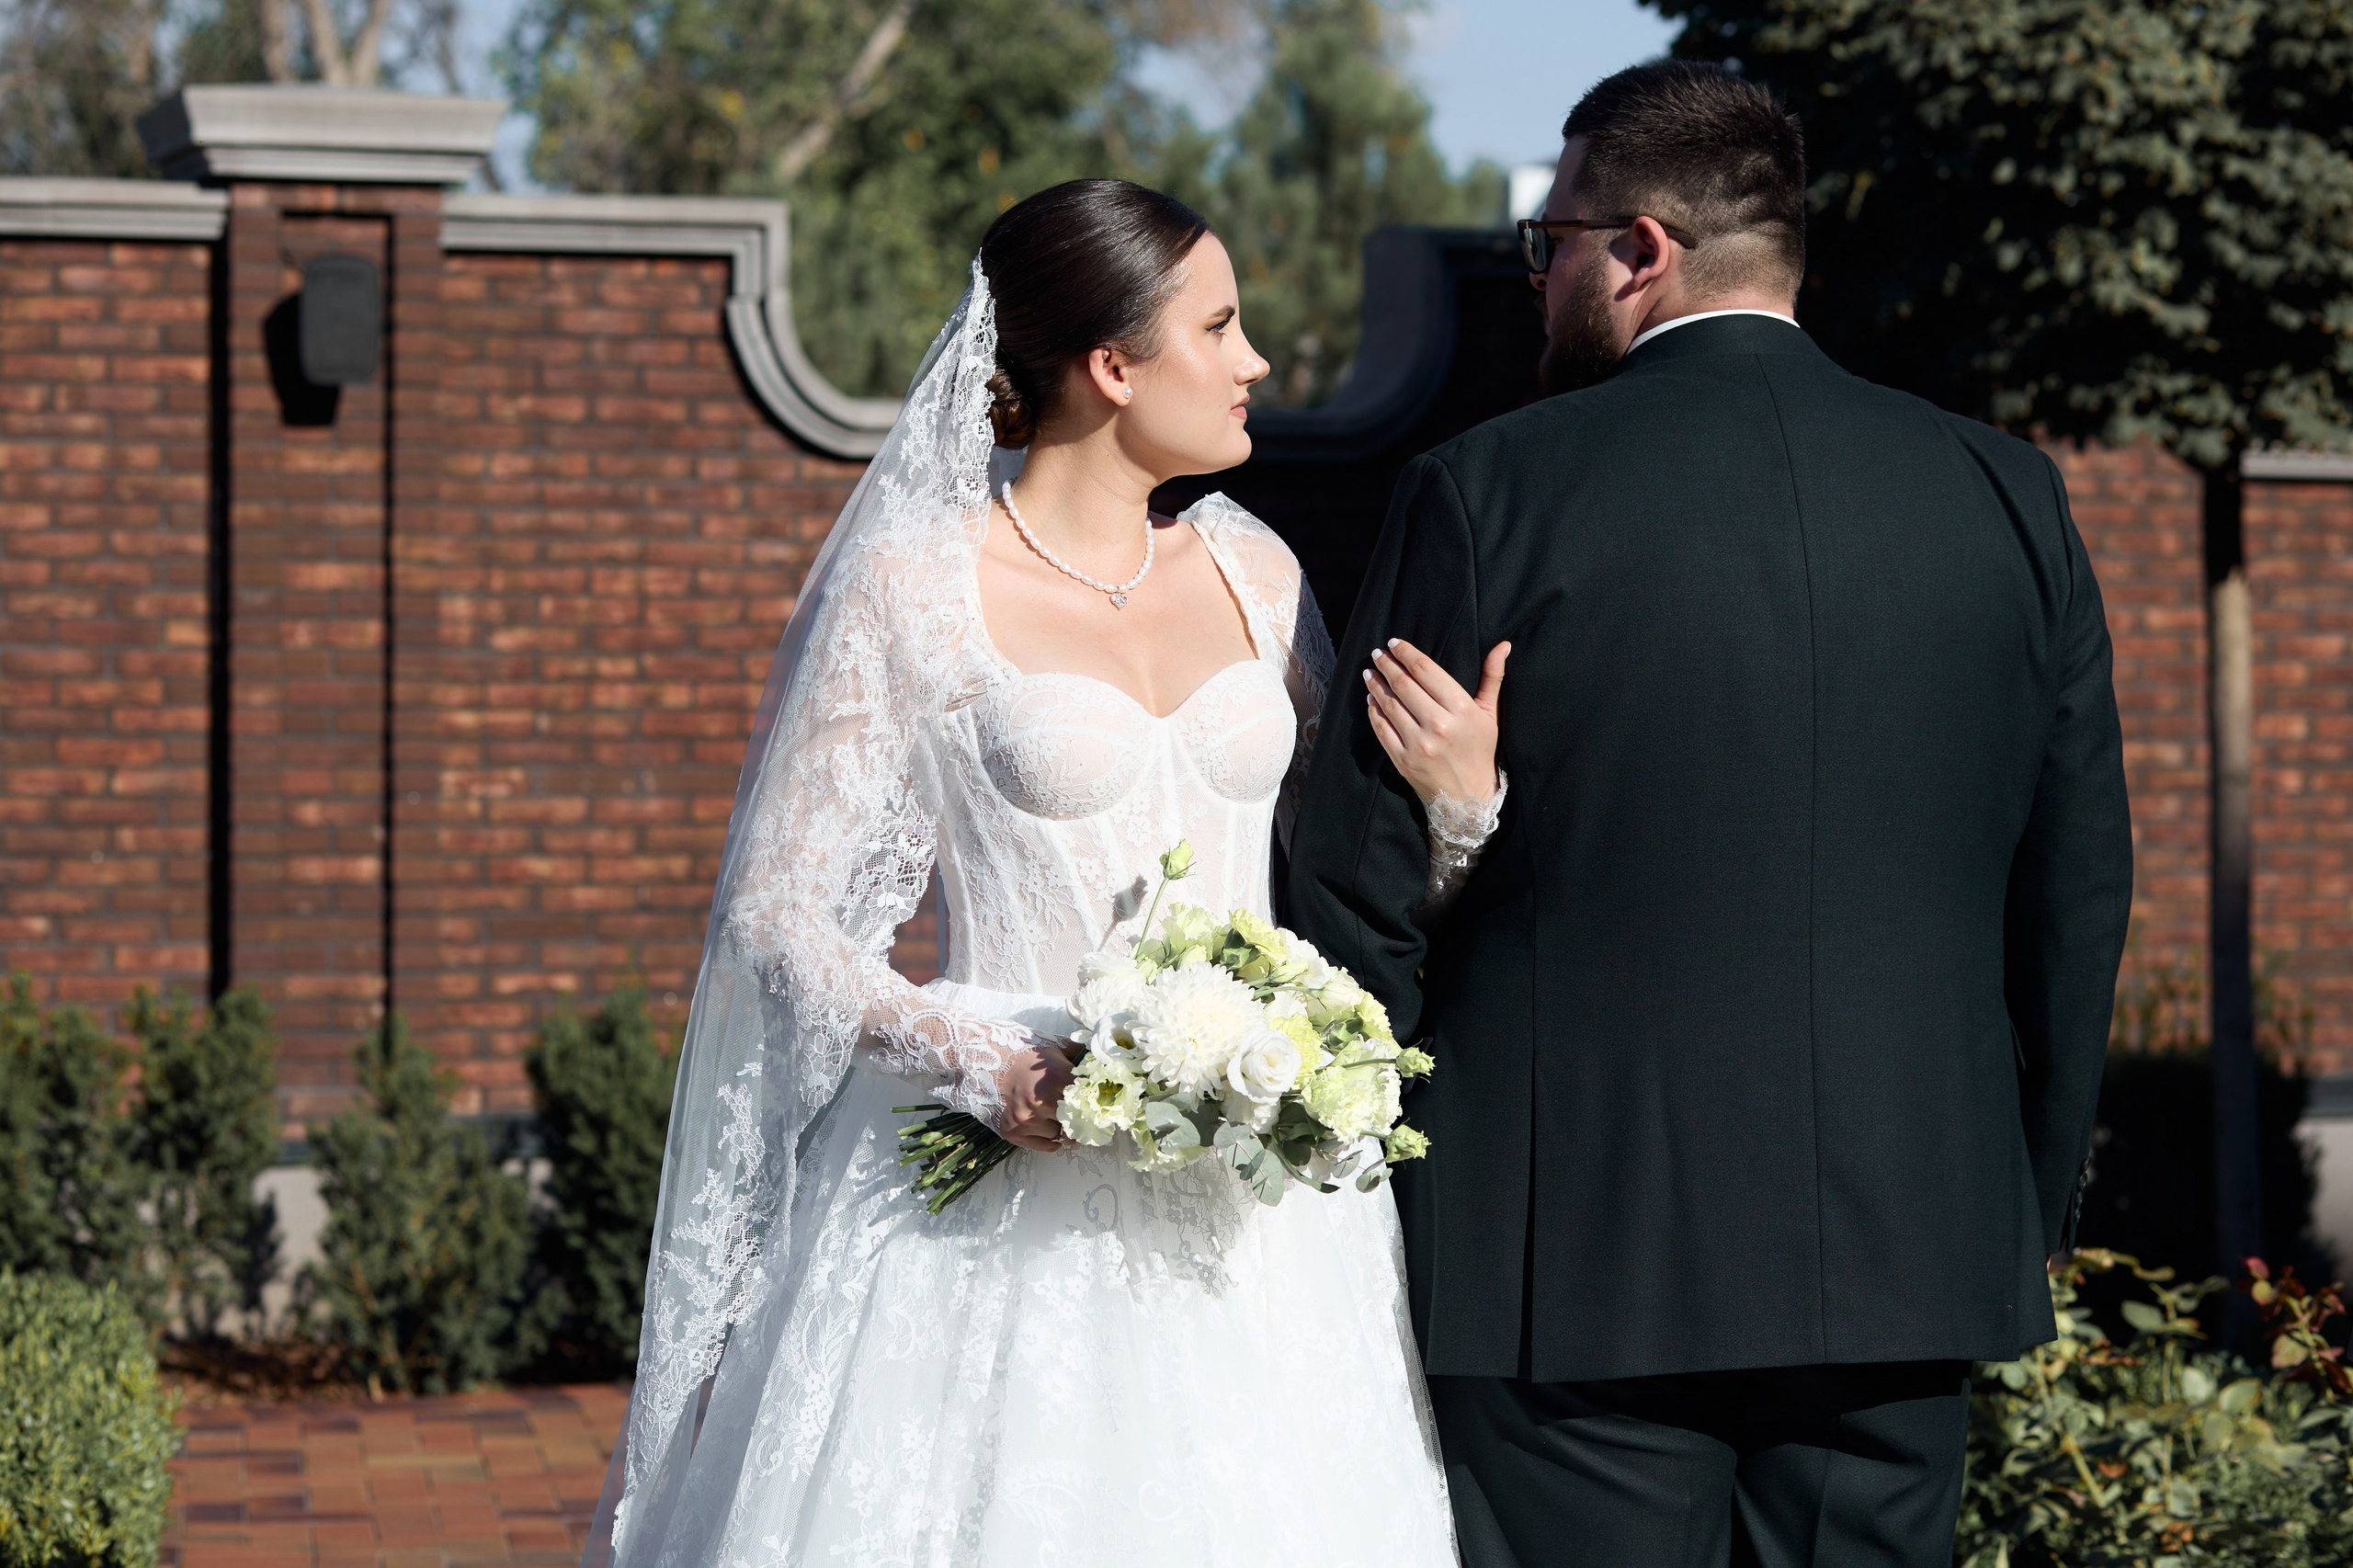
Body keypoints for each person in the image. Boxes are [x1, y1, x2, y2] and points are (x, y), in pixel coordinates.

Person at [583, 179, 1506, 1567]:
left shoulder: (1257, 572)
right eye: (1222, 325)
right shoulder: (914, 583)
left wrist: (1460, 805)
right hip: (992, 1183)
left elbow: (1338, 876)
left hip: (1256, 1212)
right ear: (1114, 365)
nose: (1255, 361)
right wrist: (974, 1053)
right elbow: (777, 909)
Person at [1288, 61, 2133, 1568]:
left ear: (1642, 250)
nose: (1539, 279)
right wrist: (2016, 1201)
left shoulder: (1486, 490)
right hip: (1908, 1249)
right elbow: (2074, 894)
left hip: (1568, 1267)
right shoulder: (2008, 497)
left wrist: (1371, 1205)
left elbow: (1346, 900)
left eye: (1549, 245)